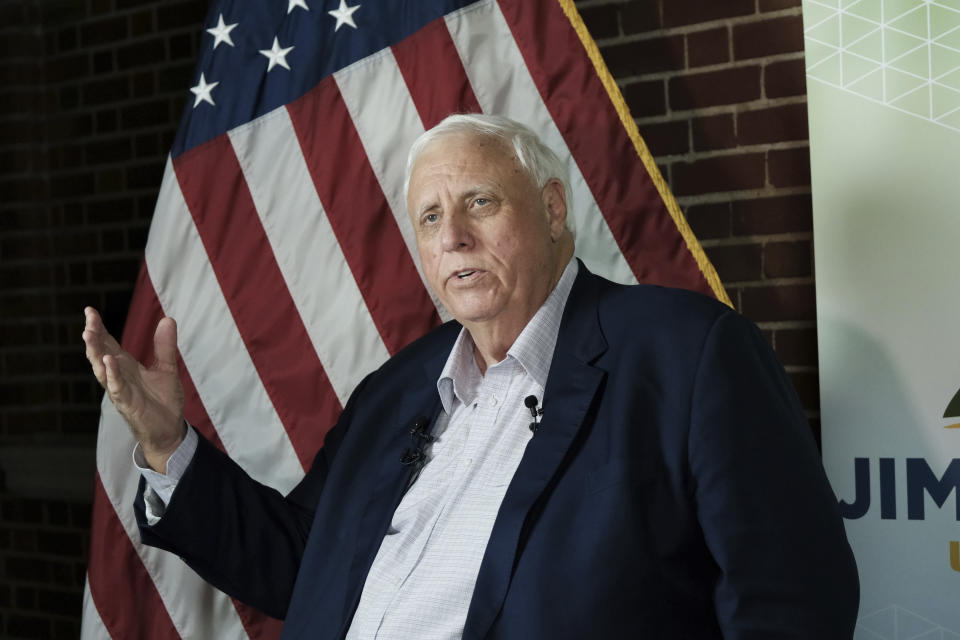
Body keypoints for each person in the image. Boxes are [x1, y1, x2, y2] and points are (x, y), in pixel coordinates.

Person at [83, 114, 859, 639]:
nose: (452, 237)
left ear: (553, 209)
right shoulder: (394, 394)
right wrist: (167, 444)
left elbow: (795, 601)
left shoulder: (688, 356)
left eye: (479, 203)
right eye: (429, 218)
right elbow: (301, 564)